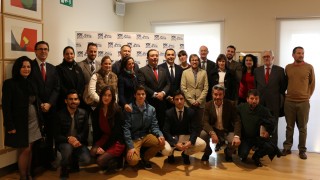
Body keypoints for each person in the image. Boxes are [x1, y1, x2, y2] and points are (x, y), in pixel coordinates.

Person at [2, 56, 43, 180]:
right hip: (20, 123)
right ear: (18, 68)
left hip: (34, 121)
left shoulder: (32, 82)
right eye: (23, 66)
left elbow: (35, 101)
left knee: (30, 149)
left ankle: (29, 174)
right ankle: (23, 176)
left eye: (29, 66)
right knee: (25, 149)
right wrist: (9, 125)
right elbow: (6, 106)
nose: (26, 69)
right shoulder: (10, 83)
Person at [30, 41, 60, 170]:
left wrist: (49, 103)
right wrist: (41, 103)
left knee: (50, 136)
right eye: (40, 49)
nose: (43, 51)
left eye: (46, 49)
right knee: (36, 138)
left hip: (51, 109)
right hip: (36, 109)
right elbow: (30, 88)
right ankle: (35, 164)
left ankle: (49, 162)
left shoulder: (53, 68)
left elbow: (57, 88)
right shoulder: (29, 66)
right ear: (35, 51)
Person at [282, 46, 315, 160]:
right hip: (289, 102)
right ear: (293, 55)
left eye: (303, 53)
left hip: (303, 103)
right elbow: (285, 83)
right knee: (289, 127)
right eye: (299, 53)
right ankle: (287, 148)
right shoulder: (288, 68)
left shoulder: (309, 67)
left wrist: (307, 96)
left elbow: (312, 83)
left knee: (302, 127)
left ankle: (302, 150)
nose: (301, 55)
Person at [123, 85, 166, 170]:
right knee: (133, 161)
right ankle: (128, 154)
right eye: (138, 94)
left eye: (143, 94)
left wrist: (160, 135)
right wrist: (131, 147)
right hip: (134, 138)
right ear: (135, 95)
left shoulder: (151, 109)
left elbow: (155, 126)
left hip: (146, 135)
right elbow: (126, 129)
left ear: (146, 95)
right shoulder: (129, 108)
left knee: (162, 143)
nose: (141, 96)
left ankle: (145, 159)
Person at [237, 89, 281, 167]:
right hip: (245, 138)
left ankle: (256, 157)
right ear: (247, 99)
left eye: (256, 99)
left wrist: (268, 132)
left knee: (270, 148)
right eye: (252, 98)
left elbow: (273, 122)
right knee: (242, 155)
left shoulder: (264, 110)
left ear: (259, 99)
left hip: (258, 138)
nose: (254, 101)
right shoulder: (241, 108)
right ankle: (244, 153)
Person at [54, 90, 91, 179]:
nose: (73, 101)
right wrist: (68, 139)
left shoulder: (84, 113)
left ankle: (74, 163)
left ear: (79, 101)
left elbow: (85, 133)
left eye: (75, 99)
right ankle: (64, 170)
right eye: (70, 99)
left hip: (78, 141)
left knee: (87, 159)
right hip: (64, 142)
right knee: (67, 149)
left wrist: (76, 139)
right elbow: (56, 135)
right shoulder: (59, 115)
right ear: (66, 101)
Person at [162, 90, 206, 165]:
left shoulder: (191, 112)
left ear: (184, 100)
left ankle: (185, 154)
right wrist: (175, 143)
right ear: (173, 100)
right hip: (173, 138)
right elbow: (166, 131)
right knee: (166, 151)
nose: (179, 101)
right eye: (177, 99)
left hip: (185, 137)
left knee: (202, 144)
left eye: (181, 99)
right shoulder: (168, 113)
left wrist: (190, 142)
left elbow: (195, 130)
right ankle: (170, 154)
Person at [200, 85, 241, 162]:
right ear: (212, 94)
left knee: (235, 141)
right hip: (214, 129)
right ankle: (207, 152)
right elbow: (204, 122)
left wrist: (237, 136)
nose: (218, 97)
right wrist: (212, 133)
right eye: (215, 94)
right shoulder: (207, 105)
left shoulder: (231, 104)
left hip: (227, 130)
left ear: (223, 95)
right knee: (202, 135)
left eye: (220, 94)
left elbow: (237, 120)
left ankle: (228, 153)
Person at [254, 50, 287, 146]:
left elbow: (283, 87)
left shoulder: (280, 70)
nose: (266, 58)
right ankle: (260, 145)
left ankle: (273, 145)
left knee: (274, 124)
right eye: (264, 57)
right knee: (259, 124)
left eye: (268, 56)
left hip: (274, 102)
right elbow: (256, 86)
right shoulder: (257, 70)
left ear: (273, 58)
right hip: (260, 102)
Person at [90, 86, 126, 172]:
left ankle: (119, 160)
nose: (106, 98)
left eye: (109, 95)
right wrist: (96, 145)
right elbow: (96, 131)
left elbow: (117, 133)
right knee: (92, 152)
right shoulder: (97, 111)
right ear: (101, 96)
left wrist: (104, 148)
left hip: (117, 140)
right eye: (104, 95)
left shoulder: (117, 110)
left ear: (112, 97)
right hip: (105, 137)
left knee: (100, 161)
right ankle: (110, 159)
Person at [137, 49, 170, 130]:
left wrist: (163, 92)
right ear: (147, 58)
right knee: (150, 125)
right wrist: (155, 94)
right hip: (149, 102)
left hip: (162, 103)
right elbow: (142, 85)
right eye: (152, 56)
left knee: (161, 124)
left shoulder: (164, 70)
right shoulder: (142, 70)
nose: (155, 57)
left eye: (156, 55)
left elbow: (168, 84)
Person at [180, 54, 208, 124]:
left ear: (198, 61)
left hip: (200, 104)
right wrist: (192, 101)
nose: (194, 62)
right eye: (192, 60)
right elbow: (183, 88)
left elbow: (206, 88)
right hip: (188, 103)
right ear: (190, 61)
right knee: (189, 123)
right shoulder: (185, 72)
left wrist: (199, 101)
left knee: (200, 123)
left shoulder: (204, 72)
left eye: (196, 60)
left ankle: (198, 135)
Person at [56, 46, 85, 110]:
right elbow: (59, 85)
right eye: (67, 54)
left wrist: (77, 97)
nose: (69, 56)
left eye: (71, 54)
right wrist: (70, 97)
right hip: (65, 102)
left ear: (74, 55)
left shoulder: (78, 68)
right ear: (64, 55)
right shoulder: (58, 68)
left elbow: (82, 83)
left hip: (78, 102)